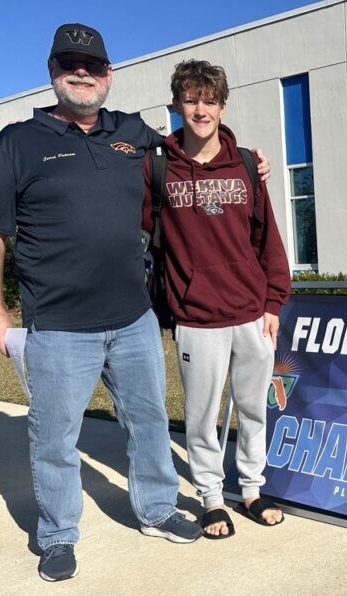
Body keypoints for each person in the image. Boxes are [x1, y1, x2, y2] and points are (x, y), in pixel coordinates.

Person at [0, 24, 269, 581]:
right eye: (69, 63)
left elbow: (193, 150)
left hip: (134, 318)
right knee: (56, 438)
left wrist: (245, 159)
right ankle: (58, 534)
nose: (81, 72)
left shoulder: (133, 134)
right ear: (53, 70)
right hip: (58, 324)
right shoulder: (18, 141)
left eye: (92, 64)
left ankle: (156, 509)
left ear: (109, 74)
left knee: (150, 423)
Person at [143, 60, 290, 538]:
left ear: (222, 106)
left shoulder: (246, 163)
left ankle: (250, 488)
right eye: (190, 99)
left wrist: (273, 304)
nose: (200, 109)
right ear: (176, 105)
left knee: (253, 410)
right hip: (196, 316)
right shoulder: (157, 166)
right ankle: (210, 497)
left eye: (209, 100)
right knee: (203, 417)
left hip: (251, 315)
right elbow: (141, 232)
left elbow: (267, 238)